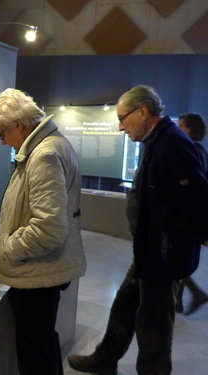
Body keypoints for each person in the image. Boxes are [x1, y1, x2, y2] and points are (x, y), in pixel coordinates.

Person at [68, 85, 207, 375]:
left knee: (153, 325)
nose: (120, 127)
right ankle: (105, 359)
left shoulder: (172, 144)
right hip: (150, 249)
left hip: (163, 254)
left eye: (122, 118)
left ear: (143, 111)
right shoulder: (156, 141)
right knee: (124, 305)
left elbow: (197, 199)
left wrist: (177, 247)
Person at [0, 88, 86, 375]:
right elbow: (26, 213)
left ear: (19, 124)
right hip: (40, 272)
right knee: (42, 344)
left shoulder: (45, 154)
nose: (3, 143)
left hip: (37, 275)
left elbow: (48, 229)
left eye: (2, 134)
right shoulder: (48, 146)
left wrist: (6, 249)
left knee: (35, 355)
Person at [175, 113, 208, 314]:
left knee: (176, 260)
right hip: (192, 216)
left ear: (190, 129)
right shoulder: (201, 150)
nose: (178, 129)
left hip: (185, 217)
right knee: (179, 259)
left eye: (181, 126)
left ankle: (196, 293)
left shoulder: (191, 151)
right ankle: (178, 301)